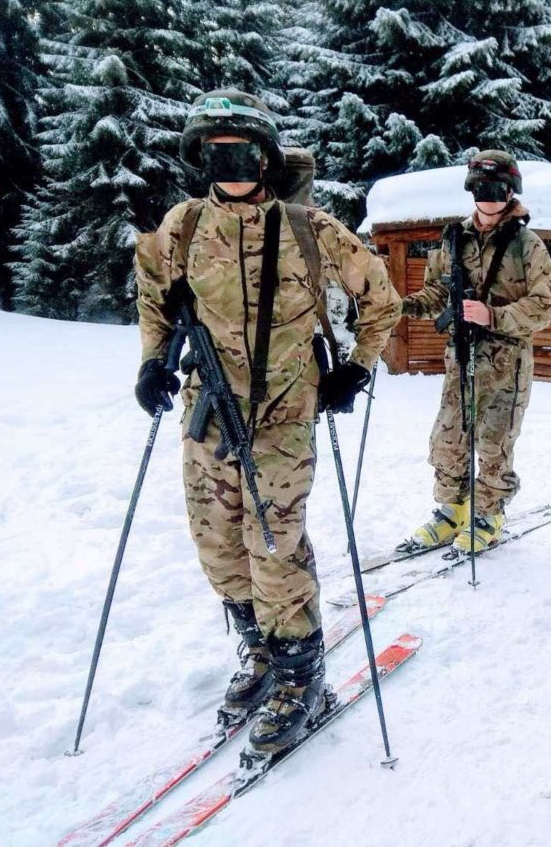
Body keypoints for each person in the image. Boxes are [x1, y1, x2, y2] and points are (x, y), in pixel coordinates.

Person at [134, 89, 400, 753]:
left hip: (284, 413)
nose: (233, 169)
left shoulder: (312, 229)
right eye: (218, 155)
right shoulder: (184, 227)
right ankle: (257, 649)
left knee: (274, 546)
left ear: (267, 160)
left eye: (245, 155)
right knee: (217, 545)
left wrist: (358, 367)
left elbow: (382, 298)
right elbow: (155, 297)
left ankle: (298, 671)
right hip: (209, 411)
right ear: (202, 160)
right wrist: (151, 363)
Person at [400, 151, 551, 553]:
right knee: (448, 439)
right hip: (460, 356)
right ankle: (452, 511)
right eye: (482, 190)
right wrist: (405, 306)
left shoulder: (527, 245)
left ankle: (488, 513)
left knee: (494, 442)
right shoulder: (454, 238)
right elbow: (437, 290)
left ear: (510, 192)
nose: (489, 199)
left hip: (506, 362)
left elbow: (544, 305)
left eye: (498, 191)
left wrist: (494, 316)